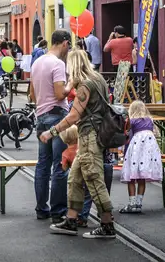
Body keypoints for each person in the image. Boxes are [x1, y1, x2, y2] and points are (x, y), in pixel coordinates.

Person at [40, 49, 116, 239]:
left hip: (89, 137)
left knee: (94, 180)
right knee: (74, 179)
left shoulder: (84, 86)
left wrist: (51, 132)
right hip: (93, 135)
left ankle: (107, 225)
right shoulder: (98, 79)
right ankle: (71, 220)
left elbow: (74, 116)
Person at [30, 29, 73, 224]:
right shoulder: (57, 64)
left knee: (42, 164)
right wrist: (71, 84)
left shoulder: (37, 62)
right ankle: (58, 210)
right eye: (68, 46)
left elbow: (32, 95)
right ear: (64, 43)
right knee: (59, 164)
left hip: (41, 117)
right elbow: (59, 94)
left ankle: (41, 208)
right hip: (57, 116)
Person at [119, 101, 163, 213]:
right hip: (148, 150)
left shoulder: (132, 121)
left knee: (131, 177)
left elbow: (127, 134)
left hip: (136, 149)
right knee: (141, 178)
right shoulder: (150, 120)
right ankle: (139, 203)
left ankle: (131, 203)